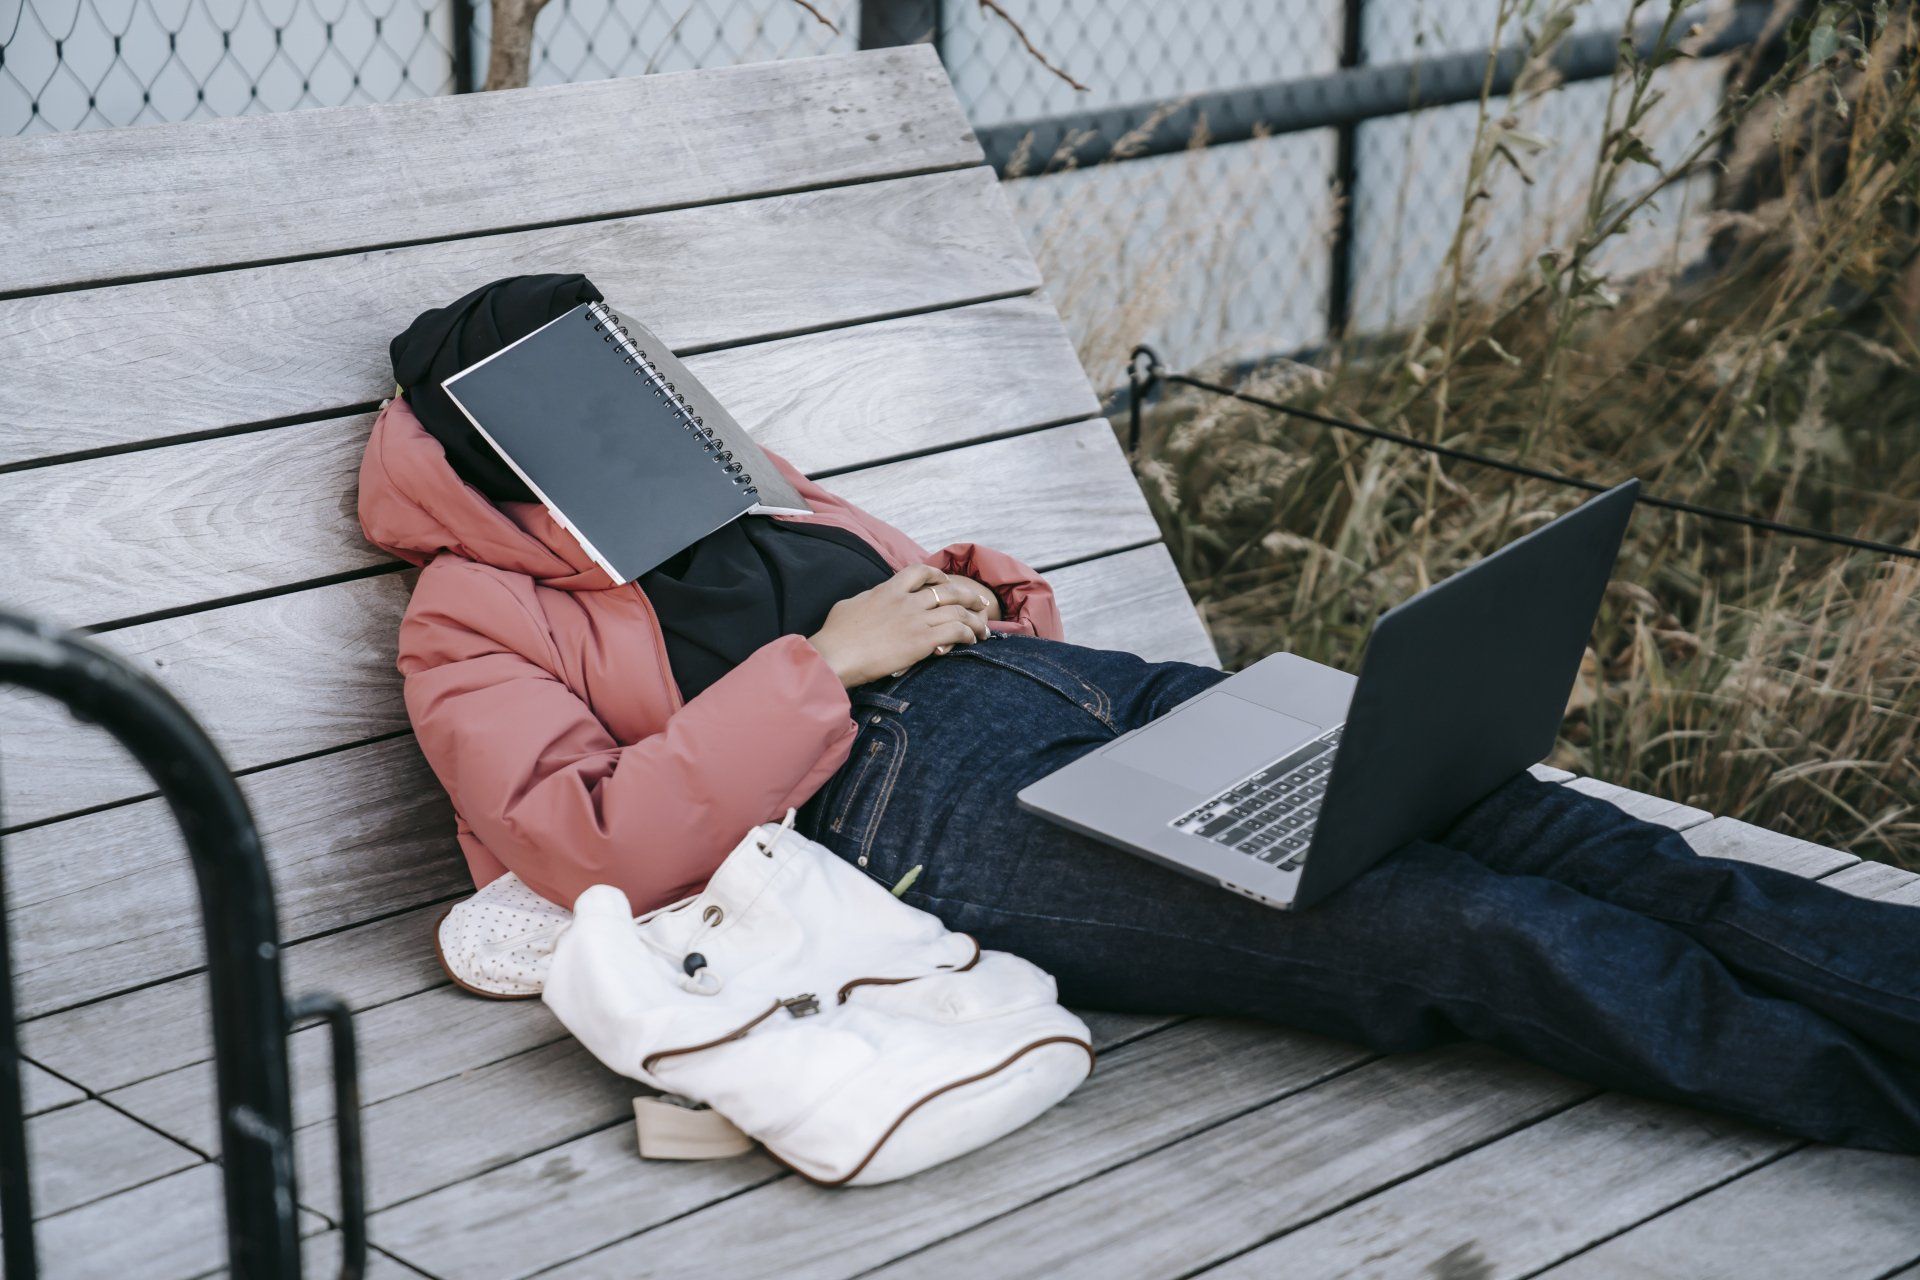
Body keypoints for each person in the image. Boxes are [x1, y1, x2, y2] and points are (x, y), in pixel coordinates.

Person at [362, 274, 1920, 1153]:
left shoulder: (732, 483)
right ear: (487, 448)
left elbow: (900, 598)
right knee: (1452, 921)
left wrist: (970, 588)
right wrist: (825, 666)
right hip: (902, 811)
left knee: (1534, 815)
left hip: (1076, 695)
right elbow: (582, 850)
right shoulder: (473, 615)